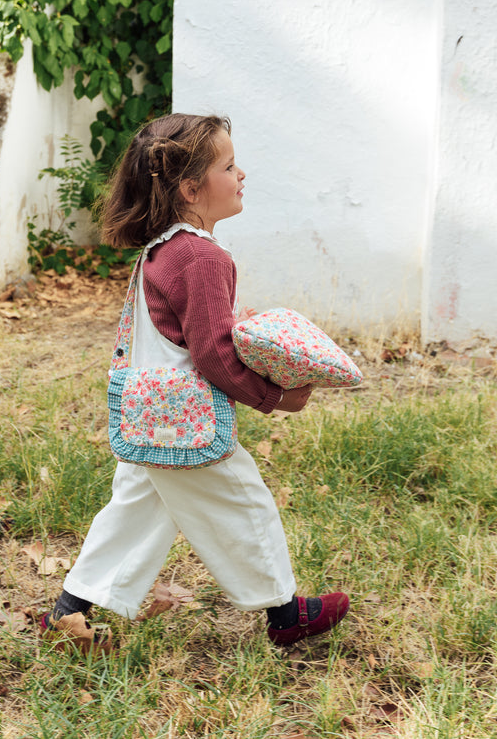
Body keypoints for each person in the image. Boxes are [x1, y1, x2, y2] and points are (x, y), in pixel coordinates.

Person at [41, 113, 349, 650]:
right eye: (229, 167)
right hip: (186, 421)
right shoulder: (202, 256)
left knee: (136, 510)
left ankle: (68, 611)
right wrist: (274, 395)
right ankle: (286, 615)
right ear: (190, 187)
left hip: (149, 415)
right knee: (243, 502)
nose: (242, 174)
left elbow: (183, 329)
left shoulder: (162, 248)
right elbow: (212, 355)